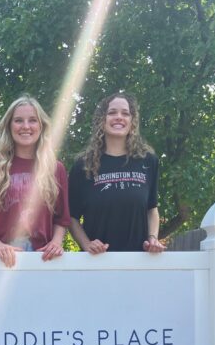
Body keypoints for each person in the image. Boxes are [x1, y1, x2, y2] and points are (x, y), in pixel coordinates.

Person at [0, 95, 70, 268]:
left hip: (44, 261)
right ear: (9, 126)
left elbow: (62, 218)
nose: (26, 126)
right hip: (2, 262)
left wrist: (56, 242)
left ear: (41, 126)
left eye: (32, 120)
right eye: (18, 120)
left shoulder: (55, 169)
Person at [68, 92, 165, 254]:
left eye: (125, 113)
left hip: (138, 262)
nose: (119, 117)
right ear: (102, 120)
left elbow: (152, 208)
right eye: (112, 112)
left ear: (132, 121)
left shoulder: (148, 161)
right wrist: (86, 244)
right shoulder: (83, 165)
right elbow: (71, 217)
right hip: (96, 262)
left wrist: (152, 238)